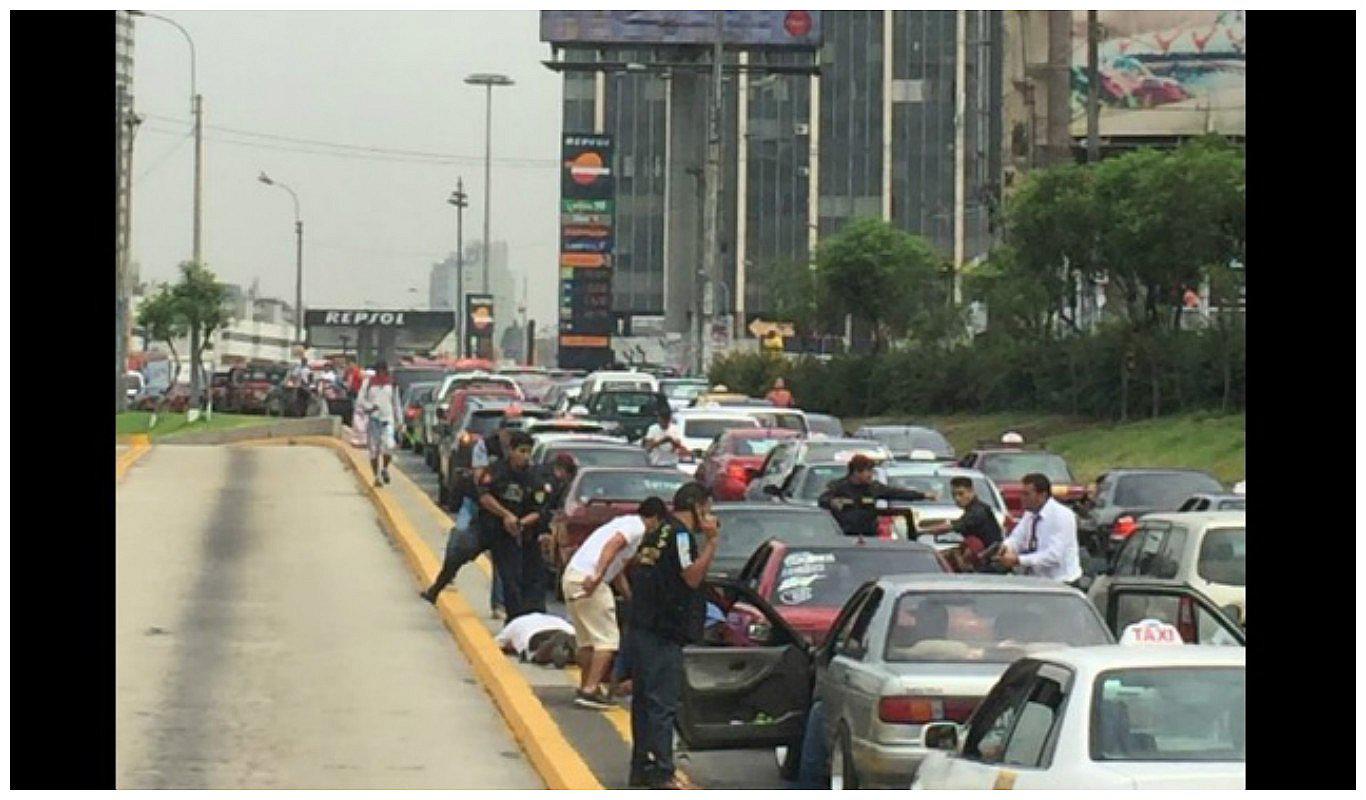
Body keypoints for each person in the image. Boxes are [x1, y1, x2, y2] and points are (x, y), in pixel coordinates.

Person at [626, 483, 720, 790]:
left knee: (643, 702)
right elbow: (691, 577)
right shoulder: (680, 535)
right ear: (694, 505)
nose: (709, 515)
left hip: (640, 627)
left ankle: (641, 766)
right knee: (662, 704)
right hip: (662, 632)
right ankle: (663, 772)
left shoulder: (656, 533)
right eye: (706, 508)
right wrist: (711, 543)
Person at [562, 499, 666, 709]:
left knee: (588, 641)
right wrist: (597, 576)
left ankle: (586, 685)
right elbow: (613, 546)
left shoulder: (621, 522)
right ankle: (591, 689)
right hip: (590, 580)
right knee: (607, 640)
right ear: (654, 519)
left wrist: (630, 598)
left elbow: (617, 569)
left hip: (573, 577)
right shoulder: (636, 528)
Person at [476, 430, 547, 621]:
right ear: (511, 451)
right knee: (462, 547)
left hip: (522, 534)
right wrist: (505, 515)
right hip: (493, 529)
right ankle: (438, 587)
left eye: (528, 452)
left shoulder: (535, 476)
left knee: (522, 578)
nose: (525, 456)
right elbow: (484, 495)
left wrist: (520, 523)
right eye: (521, 451)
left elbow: (540, 509)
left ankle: (521, 619)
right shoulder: (497, 470)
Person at [995, 472, 1083, 586]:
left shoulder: (1063, 516)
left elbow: (1054, 556)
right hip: (1036, 581)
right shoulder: (1030, 514)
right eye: (1022, 493)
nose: (1022, 498)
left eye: (1027, 494)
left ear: (1042, 495)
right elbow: (1017, 538)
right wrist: (1006, 548)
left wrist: (1018, 560)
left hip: (1061, 583)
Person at [817, 455, 937, 537]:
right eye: (868, 471)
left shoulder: (874, 487)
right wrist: (832, 502)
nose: (871, 475)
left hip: (870, 536)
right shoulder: (838, 486)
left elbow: (896, 493)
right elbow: (822, 499)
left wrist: (923, 495)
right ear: (856, 472)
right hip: (844, 535)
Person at [920, 476, 1003, 571]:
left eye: (961, 494)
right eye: (954, 495)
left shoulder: (978, 511)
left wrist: (923, 531)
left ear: (971, 491)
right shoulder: (973, 509)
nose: (957, 498)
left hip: (986, 563)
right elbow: (952, 523)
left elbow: (952, 526)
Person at [358, 361, 400, 486]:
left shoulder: (391, 383)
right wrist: (369, 407)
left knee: (389, 446)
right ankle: (376, 477)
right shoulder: (369, 383)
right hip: (373, 420)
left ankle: (385, 469)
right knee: (374, 450)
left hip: (388, 419)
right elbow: (360, 399)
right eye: (379, 370)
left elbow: (396, 403)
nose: (381, 373)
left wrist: (400, 421)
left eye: (383, 370)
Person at [494, 611, 578, 667]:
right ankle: (572, 654)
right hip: (565, 629)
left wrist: (511, 646)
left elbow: (496, 644)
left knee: (537, 656)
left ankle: (551, 644)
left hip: (534, 634)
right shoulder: (557, 619)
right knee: (577, 650)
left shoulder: (516, 622)